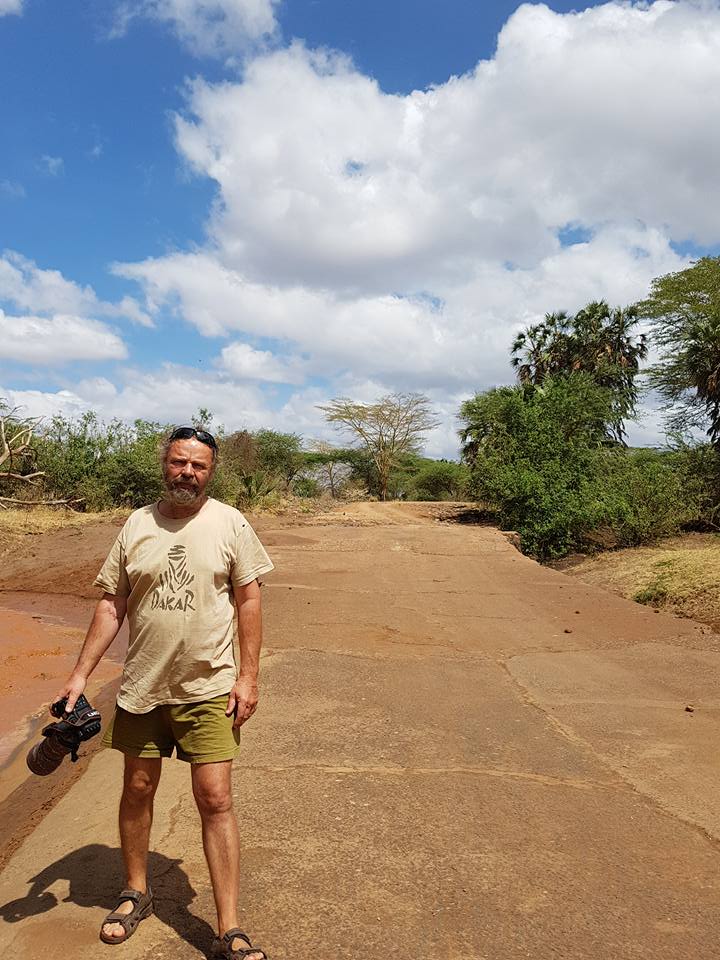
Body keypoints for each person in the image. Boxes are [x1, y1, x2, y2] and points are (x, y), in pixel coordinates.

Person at [57, 426, 273, 960]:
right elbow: (112, 604)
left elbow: (249, 600)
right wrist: (80, 675)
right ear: (164, 464)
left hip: (209, 686)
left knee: (215, 798)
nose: (187, 473)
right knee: (137, 788)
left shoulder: (231, 523)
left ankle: (229, 926)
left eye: (199, 466)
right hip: (144, 685)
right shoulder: (137, 524)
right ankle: (136, 892)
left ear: (211, 472)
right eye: (179, 462)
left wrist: (249, 677)